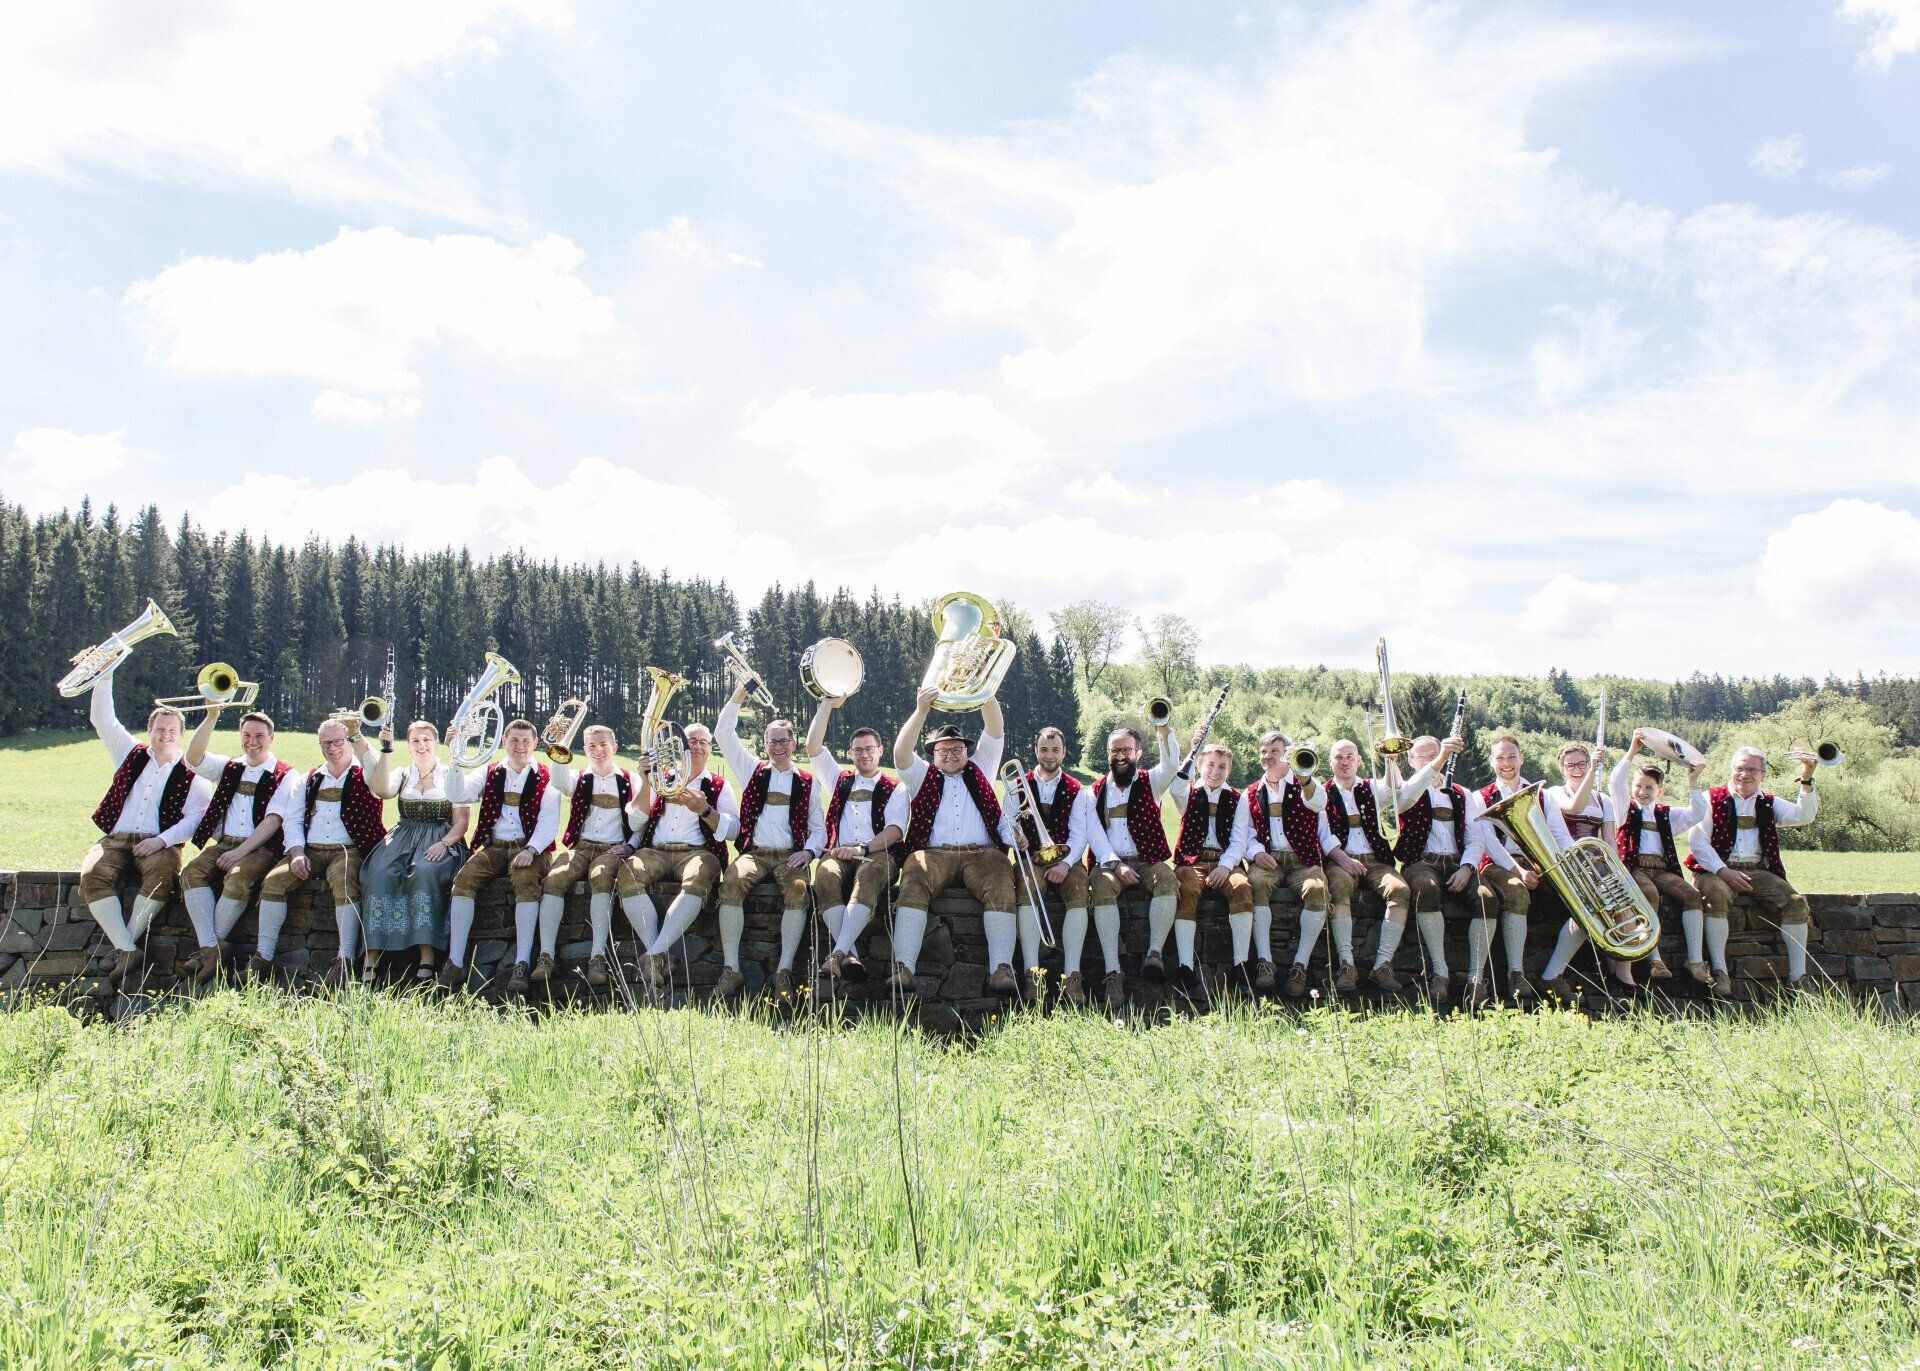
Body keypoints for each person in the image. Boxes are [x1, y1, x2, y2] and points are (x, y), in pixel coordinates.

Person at [78, 673, 211, 986]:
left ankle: (124, 947)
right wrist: (106, 670)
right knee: (91, 874)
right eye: (159, 728)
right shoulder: (129, 752)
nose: (165, 734)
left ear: (181, 734)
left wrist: (160, 841)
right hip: (114, 839)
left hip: (160, 843)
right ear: (149, 729)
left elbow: (194, 820)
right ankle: (126, 948)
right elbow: (102, 717)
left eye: (171, 730)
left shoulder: (195, 772)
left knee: (164, 874)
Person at [889, 686, 1015, 994]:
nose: (950, 754)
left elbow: (995, 729)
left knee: (1001, 880)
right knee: (914, 877)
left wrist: (985, 689)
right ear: (932, 755)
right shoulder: (922, 775)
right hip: (934, 854)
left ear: (967, 751)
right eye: (942, 750)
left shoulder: (982, 767)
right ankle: (903, 967)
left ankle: (1001, 969)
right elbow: (901, 754)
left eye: (957, 749)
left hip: (983, 854)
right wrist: (921, 710)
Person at [715, 678, 828, 997]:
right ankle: (731, 968)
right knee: (731, 882)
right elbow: (723, 733)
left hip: (791, 856)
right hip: (754, 853)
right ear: (765, 746)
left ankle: (784, 971)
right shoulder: (751, 770)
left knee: (798, 892)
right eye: (772, 742)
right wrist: (740, 692)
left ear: (793, 744)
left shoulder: (808, 782)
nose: (778, 747)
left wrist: (808, 853)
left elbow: (818, 828)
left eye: (783, 742)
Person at [257, 717, 387, 986]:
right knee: (273, 881)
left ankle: (344, 959)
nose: (333, 747)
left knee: (344, 881)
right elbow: (292, 819)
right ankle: (263, 957)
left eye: (339, 740)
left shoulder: (366, 772)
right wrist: (296, 853)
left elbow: (376, 769)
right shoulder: (309, 778)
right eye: (326, 742)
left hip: (349, 849)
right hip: (311, 851)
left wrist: (358, 736)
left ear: (348, 741)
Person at [1539, 739, 1671, 996]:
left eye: (1582, 764)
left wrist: (1617, 872)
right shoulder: (1554, 793)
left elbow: (1609, 840)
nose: (1576, 769)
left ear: (1589, 764)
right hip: (1566, 861)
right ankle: (1552, 974)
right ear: (1562, 769)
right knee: (1589, 908)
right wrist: (1593, 772)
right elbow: (1575, 807)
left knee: (1623, 902)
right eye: (1570, 765)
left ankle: (1623, 972)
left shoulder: (1603, 800)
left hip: (1596, 864)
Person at [1686, 746, 1821, 992]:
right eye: (1739, 768)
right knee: (1714, 897)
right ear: (1731, 770)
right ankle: (1720, 972)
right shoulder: (1710, 798)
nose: (1744, 774)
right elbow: (1697, 842)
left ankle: (1798, 979)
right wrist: (1723, 871)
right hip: (1716, 871)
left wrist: (1807, 777)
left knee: (1795, 902)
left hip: (1757, 872)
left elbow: (1805, 815)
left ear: (1762, 775)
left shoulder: (1768, 803)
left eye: (1751, 769)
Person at [178, 703, 297, 983]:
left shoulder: (285, 773)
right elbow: (193, 757)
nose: (252, 742)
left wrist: (239, 853)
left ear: (272, 737)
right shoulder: (229, 766)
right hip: (224, 843)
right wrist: (212, 716)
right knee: (191, 873)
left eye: (259, 736)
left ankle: (207, 950)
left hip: (261, 847)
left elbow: (273, 821)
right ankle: (211, 947)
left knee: (237, 878)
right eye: (246, 735)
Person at [1315, 740, 1445, 993]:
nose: (1344, 762)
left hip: (1376, 861)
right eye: (1339, 757)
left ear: (1359, 761)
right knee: (1339, 887)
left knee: (1400, 890)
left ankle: (1382, 964)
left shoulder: (1370, 787)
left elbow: (1393, 787)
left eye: (1350, 757)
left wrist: (1390, 759)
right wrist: (1343, 859)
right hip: (1341, 860)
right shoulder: (1321, 792)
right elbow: (1323, 833)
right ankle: (1346, 964)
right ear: (1330, 761)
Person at [440, 719, 560, 993]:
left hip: (531, 847)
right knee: (464, 880)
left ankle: (521, 963)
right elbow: (457, 793)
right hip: (493, 847)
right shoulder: (489, 771)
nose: (520, 747)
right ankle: (455, 961)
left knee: (526, 884)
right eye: (514, 741)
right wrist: (455, 756)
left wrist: (531, 850)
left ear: (534, 744)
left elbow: (549, 821)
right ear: (504, 742)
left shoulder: (547, 775)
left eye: (525, 741)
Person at [805, 695, 909, 984]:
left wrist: (862, 848)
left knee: (869, 876)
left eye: (870, 749)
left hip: (877, 854)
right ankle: (847, 954)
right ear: (850, 753)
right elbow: (813, 747)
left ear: (880, 751)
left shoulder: (896, 787)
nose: (864, 755)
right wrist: (827, 704)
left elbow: (895, 831)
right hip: (838, 854)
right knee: (824, 874)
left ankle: (836, 954)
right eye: (858, 750)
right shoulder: (839, 779)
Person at [535, 724, 646, 988]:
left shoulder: (632, 779)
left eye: (603, 745)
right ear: (583, 749)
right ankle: (546, 955)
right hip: (581, 847)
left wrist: (630, 846)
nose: (598, 751)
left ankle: (597, 956)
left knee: (601, 878)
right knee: (555, 879)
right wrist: (560, 741)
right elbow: (559, 779)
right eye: (592, 746)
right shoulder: (578, 777)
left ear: (614, 747)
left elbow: (644, 821)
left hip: (612, 849)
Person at [360, 720, 470, 986]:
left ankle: (427, 956)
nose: (421, 746)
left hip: (440, 837)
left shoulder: (451, 773)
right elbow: (383, 791)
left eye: (426, 740)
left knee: (424, 872)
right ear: (408, 746)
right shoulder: (403, 773)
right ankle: (371, 956)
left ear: (435, 743)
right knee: (379, 873)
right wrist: (385, 750)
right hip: (403, 836)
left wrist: (444, 843)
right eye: (415, 741)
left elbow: (462, 822)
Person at [632, 723, 739, 991]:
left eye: (704, 742)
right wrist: (645, 781)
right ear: (679, 745)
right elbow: (636, 822)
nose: (698, 746)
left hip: (698, 853)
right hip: (656, 851)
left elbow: (734, 830)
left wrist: (705, 810)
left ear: (710, 749)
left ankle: (655, 955)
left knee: (700, 877)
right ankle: (656, 953)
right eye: (692, 740)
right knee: (628, 873)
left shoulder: (719, 785)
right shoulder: (659, 778)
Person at [1085, 716, 1181, 1010]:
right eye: (1115, 751)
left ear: (1138, 753)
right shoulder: (1094, 790)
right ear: (1108, 755)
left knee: (1167, 879)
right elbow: (1094, 833)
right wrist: (1115, 865)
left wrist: (1164, 728)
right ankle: (1113, 971)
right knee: (1100, 887)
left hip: (1147, 860)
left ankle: (1154, 953)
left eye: (1126, 750)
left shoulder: (1152, 780)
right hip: (1110, 865)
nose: (1120, 756)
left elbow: (1172, 763)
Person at [1225, 732, 1329, 997]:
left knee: (1317, 890)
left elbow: (1319, 803)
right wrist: (1257, 852)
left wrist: (1305, 779)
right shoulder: (1249, 793)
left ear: (1287, 753)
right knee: (1256, 884)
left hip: (1302, 860)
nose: (1267, 756)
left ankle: (1300, 965)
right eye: (1263, 751)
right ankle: (1265, 961)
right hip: (1268, 860)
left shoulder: (1305, 782)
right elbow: (1244, 834)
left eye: (1274, 750)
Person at [1609, 733, 1712, 987]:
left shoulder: (1667, 814)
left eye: (1649, 788)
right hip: (1634, 868)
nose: (1642, 792)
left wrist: (1693, 782)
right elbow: (1615, 782)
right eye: (1638, 787)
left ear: (1660, 790)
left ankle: (1695, 960)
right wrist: (1632, 750)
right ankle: (1654, 959)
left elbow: (1697, 813)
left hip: (1661, 868)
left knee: (1691, 896)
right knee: (1649, 894)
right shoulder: (1623, 808)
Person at [1472, 736, 1560, 1007]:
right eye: (1500, 758)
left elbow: (1559, 834)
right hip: (1498, 863)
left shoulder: (1542, 794)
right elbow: (1488, 842)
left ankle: (1556, 974)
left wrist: (1564, 866)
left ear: (1521, 759)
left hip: (1538, 860)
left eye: (1512, 757)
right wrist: (1518, 870)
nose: (1506, 763)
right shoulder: (1480, 796)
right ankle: (1516, 974)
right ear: (1492, 762)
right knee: (1517, 893)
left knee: (1577, 898)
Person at [1391, 733, 1475, 1007]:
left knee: (1486, 899)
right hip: (1420, 863)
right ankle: (1440, 973)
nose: (1429, 762)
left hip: (1457, 863)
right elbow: (1403, 802)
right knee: (1427, 890)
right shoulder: (1407, 787)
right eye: (1422, 757)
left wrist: (1467, 867)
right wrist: (1438, 761)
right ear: (1411, 761)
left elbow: (1476, 838)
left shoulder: (1464, 793)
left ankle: (1477, 978)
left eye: (1435, 755)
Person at [1014, 727, 1095, 1005]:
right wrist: (1016, 840)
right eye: (1044, 749)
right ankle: (1031, 974)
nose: (1049, 755)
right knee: (1027, 887)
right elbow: (1006, 823)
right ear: (1036, 751)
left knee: (1078, 892)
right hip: (1031, 856)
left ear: (1064, 752)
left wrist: (1066, 864)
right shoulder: (1017, 784)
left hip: (1065, 858)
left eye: (1055, 750)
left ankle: (1073, 975)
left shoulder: (1077, 789)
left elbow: (1079, 834)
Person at [1170, 742, 1249, 1001]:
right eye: (1211, 765)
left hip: (1225, 860)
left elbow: (1239, 840)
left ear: (1229, 770)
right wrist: (1194, 751)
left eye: (1222, 767)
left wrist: (1226, 866)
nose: (1216, 771)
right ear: (1201, 766)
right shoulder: (1188, 793)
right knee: (1187, 889)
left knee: (1242, 888)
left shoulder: (1238, 799)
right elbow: (1176, 784)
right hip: (1192, 860)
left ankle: (1241, 965)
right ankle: (1185, 967)